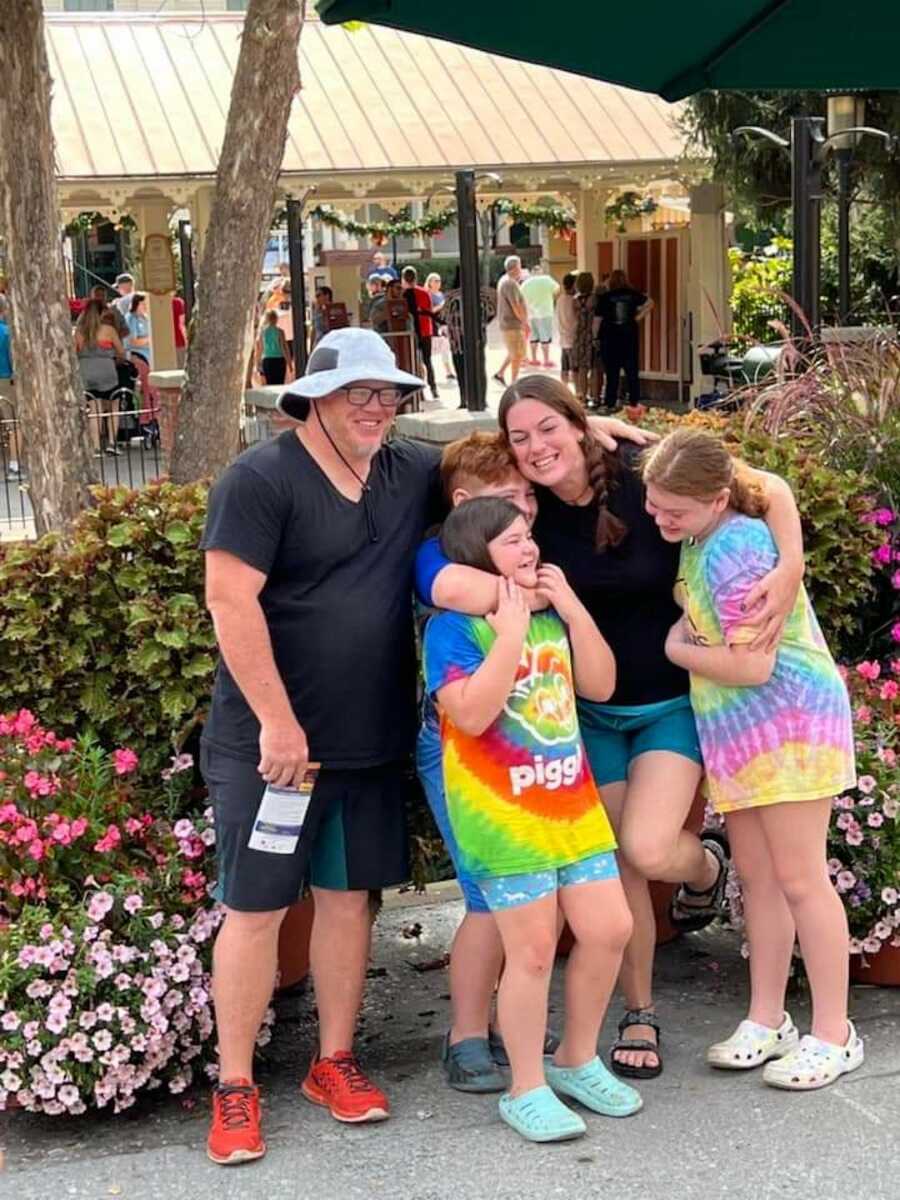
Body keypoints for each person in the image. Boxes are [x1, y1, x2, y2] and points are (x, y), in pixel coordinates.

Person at [421, 375, 805, 1080]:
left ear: (579, 425)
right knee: (621, 862)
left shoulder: (641, 474)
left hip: (668, 705)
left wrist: (790, 567)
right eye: (520, 437)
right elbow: (444, 569)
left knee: (652, 848)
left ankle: (706, 868)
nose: (536, 449)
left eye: (549, 428)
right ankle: (640, 1010)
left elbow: (766, 487)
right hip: (585, 715)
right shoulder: (526, 519)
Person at [200, 328, 440, 1167]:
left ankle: (333, 1062)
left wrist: (606, 435)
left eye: (389, 395)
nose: (377, 409)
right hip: (273, 748)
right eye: (358, 394)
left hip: (369, 740)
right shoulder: (259, 479)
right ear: (313, 398)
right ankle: (233, 1086)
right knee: (257, 907)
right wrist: (277, 722)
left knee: (348, 900)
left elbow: (511, 467)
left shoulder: (411, 471)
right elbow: (230, 601)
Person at [641, 427, 862, 1090]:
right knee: (760, 880)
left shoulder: (734, 544)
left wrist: (676, 649)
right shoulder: (703, 529)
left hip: (789, 725)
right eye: (654, 505)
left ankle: (835, 1032)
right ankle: (768, 1019)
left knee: (800, 880)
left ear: (713, 500)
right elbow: (769, 487)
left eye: (671, 511)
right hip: (741, 733)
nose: (658, 518)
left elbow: (751, 665)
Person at [423, 496, 639, 1142]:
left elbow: (599, 685)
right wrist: (510, 632)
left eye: (529, 537)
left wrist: (571, 609)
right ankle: (526, 1085)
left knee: (609, 927)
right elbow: (470, 714)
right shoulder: (452, 629)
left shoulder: (553, 618)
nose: (529, 548)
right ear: (477, 554)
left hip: (570, 805)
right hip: (503, 818)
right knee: (533, 951)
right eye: (512, 540)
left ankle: (575, 1057)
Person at [416, 433, 539, 1094]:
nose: (523, 511)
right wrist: (530, 591)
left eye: (526, 497)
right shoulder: (440, 556)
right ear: (465, 505)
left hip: (521, 744)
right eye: (506, 501)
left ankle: (499, 1020)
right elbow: (462, 590)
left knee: (513, 888)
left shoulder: (516, 557)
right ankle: (466, 1033)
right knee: (487, 892)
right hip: (458, 742)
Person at [74, 298, 128, 456]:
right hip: (107, 370)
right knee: (114, 406)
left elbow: (74, 352)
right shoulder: (109, 330)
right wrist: (117, 360)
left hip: (87, 371)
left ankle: (96, 447)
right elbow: (121, 352)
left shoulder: (79, 332)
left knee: (94, 409)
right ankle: (112, 443)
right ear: (102, 312)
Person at [594, 269, 653, 410]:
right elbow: (650, 302)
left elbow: (597, 320)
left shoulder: (605, 297)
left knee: (612, 372)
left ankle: (610, 403)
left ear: (611, 281)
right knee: (632, 371)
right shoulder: (632, 295)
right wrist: (638, 317)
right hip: (629, 336)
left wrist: (595, 337)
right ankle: (634, 401)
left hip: (610, 337)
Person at [401, 266, 438, 400]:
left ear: (403, 279)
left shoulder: (402, 295)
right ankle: (434, 388)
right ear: (416, 278)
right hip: (425, 331)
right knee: (428, 361)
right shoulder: (424, 293)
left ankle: (419, 392)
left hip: (411, 332)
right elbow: (430, 311)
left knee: (413, 362)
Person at [494, 255, 529, 386]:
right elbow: (516, 306)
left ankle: (500, 374)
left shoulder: (504, 280)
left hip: (508, 323)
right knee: (517, 354)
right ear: (515, 268)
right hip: (512, 324)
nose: (521, 269)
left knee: (513, 351)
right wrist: (524, 322)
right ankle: (514, 381)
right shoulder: (510, 283)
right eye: (520, 266)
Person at [570, 272, 600, 408]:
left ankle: (582, 397)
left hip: (579, 336)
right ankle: (596, 396)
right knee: (594, 367)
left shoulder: (575, 300)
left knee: (582, 368)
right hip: (592, 335)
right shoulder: (595, 299)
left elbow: (575, 319)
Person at [521, 265, 559, 368]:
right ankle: (546, 360)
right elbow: (557, 290)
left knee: (533, 337)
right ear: (541, 271)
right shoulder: (547, 279)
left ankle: (534, 359)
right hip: (545, 312)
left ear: (532, 272)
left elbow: (521, 297)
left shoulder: (526, 283)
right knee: (545, 337)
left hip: (531, 314)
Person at [0, 296, 19, 479]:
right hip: (5, 379)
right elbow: (13, 358)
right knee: (13, 422)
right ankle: (14, 463)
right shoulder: (6, 332)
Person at [425, 272, 454, 382]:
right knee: (433, 348)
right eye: (435, 281)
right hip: (433, 324)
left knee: (445, 347)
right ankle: (426, 370)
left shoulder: (440, 294)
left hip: (443, 324)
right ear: (430, 282)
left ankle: (449, 371)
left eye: (439, 281)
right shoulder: (428, 295)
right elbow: (430, 310)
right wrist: (441, 306)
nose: (438, 283)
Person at [556, 273, 578, 391]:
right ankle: (577, 391)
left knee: (564, 368)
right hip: (573, 339)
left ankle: (563, 390)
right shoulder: (574, 301)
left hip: (563, 339)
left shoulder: (560, 300)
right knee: (575, 369)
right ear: (574, 285)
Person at [255, 310, 290, 385]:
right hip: (279, 360)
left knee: (270, 383)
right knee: (280, 383)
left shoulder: (263, 332)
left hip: (267, 360)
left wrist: (258, 363)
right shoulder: (280, 332)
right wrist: (289, 362)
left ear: (267, 319)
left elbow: (260, 349)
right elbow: (284, 347)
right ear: (276, 319)